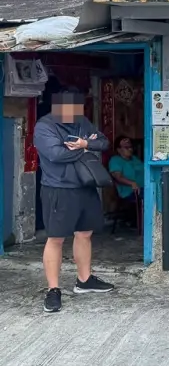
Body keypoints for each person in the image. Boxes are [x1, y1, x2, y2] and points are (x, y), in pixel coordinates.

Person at [33, 89, 114, 313]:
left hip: (84, 186)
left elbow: (104, 143)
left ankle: (84, 280)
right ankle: (53, 290)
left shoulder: (82, 121)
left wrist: (83, 144)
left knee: (85, 233)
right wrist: (86, 146)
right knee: (56, 238)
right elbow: (56, 154)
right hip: (58, 189)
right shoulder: (45, 126)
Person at [109, 136, 145, 203]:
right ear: (119, 150)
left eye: (130, 147)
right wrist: (132, 183)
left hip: (144, 188)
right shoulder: (115, 160)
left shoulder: (134, 159)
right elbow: (117, 177)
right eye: (126, 147)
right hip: (130, 192)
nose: (130, 149)